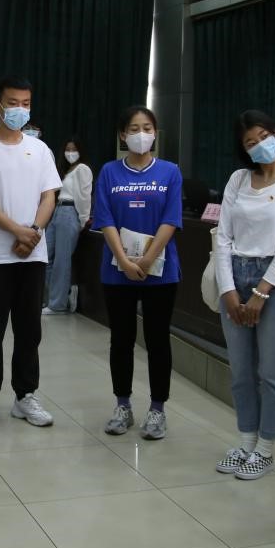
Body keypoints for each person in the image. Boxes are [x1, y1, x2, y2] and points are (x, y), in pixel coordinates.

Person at [212, 110, 275, 480]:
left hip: (273, 281)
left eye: (263, 137)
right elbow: (223, 237)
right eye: (250, 142)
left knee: (271, 370)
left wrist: (261, 293)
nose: (258, 146)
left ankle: (266, 449)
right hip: (234, 275)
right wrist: (227, 290)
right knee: (240, 371)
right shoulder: (238, 179)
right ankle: (246, 441)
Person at [0, 76, 61, 431]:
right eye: (13, 103)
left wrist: (32, 231)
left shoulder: (40, 149)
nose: (20, 109)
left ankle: (25, 395)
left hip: (32, 254)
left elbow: (49, 196)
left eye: (26, 103)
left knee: (29, 329)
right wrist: (16, 231)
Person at [91, 108, 183, 439]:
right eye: (133, 128)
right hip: (117, 271)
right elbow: (105, 219)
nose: (140, 134)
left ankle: (157, 409)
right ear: (122, 135)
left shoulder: (170, 172)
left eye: (147, 128)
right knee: (121, 339)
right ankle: (123, 405)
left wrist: (146, 261)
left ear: (155, 133)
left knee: (158, 340)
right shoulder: (109, 172)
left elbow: (171, 219)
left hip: (161, 271)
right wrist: (125, 261)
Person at [43, 137, 92, 315]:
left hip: (70, 211)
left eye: (74, 149)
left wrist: (83, 220)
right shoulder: (67, 170)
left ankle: (57, 304)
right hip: (58, 210)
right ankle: (64, 293)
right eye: (67, 149)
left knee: (62, 260)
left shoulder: (82, 168)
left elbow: (84, 196)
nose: (70, 153)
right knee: (45, 257)